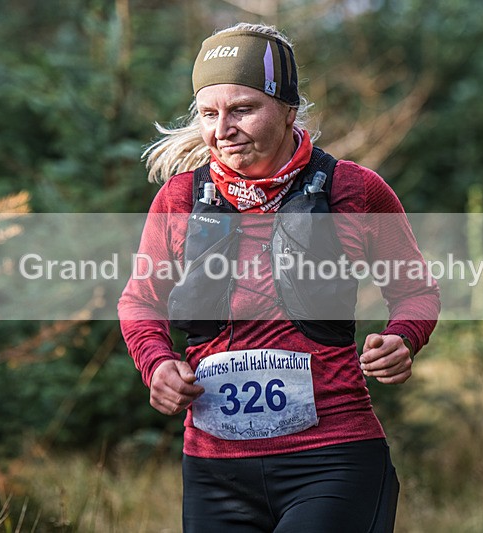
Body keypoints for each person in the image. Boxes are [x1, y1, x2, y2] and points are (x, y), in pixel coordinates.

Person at [118, 22, 440, 533]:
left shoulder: (353, 190)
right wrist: (156, 364)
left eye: (242, 109)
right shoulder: (179, 199)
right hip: (215, 472)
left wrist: (404, 336)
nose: (222, 128)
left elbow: (415, 290)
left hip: (333, 460)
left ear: (288, 108)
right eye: (209, 113)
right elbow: (140, 301)